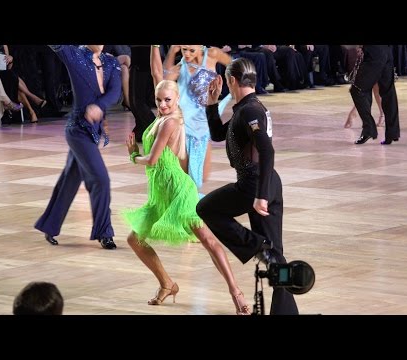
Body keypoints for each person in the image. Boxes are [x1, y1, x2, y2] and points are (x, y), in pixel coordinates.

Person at [123, 79, 250, 315]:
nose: (162, 104)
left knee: (209, 241)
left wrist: (133, 156)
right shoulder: (160, 119)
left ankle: (236, 292)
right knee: (135, 240)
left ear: (177, 99)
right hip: (160, 195)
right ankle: (167, 284)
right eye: (159, 100)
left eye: (167, 100)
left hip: (179, 193)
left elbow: (151, 159)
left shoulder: (170, 122)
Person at [196, 57, 299, 315]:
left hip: (254, 185)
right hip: (266, 182)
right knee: (276, 257)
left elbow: (266, 149)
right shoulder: (246, 108)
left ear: (232, 81)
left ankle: (255, 246)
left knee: (207, 208)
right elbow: (219, 134)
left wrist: (261, 196)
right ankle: (286, 311)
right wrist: (212, 103)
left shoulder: (250, 111)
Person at [34, 45, 121, 249]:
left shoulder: (111, 62)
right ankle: (104, 232)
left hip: (94, 132)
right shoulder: (74, 55)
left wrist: (99, 106)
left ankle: (50, 225)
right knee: (100, 179)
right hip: (78, 131)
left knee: (70, 179)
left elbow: (115, 92)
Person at [163, 45, 232, 192]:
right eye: (183, 50)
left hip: (205, 121)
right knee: (184, 175)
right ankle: (183, 205)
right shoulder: (181, 66)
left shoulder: (212, 54)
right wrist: (172, 52)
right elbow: (163, 80)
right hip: (185, 123)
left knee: (201, 177)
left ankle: (189, 204)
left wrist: (226, 85)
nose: (187, 54)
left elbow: (233, 66)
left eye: (191, 50)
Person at [350, 45, 400, 145]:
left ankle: (369, 129)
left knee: (357, 90)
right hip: (387, 51)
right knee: (388, 93)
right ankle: (392, 133)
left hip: (374, 53)